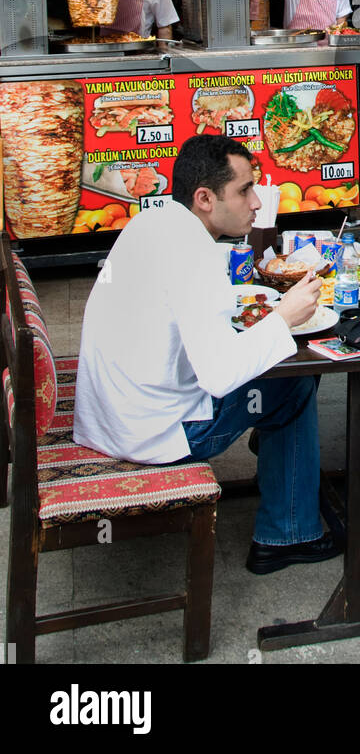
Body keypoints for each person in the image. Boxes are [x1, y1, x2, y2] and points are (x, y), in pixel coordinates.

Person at [74, 135, 341, 576]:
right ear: (203, 198)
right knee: (292, 380)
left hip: (110, 410)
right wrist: (286, 316)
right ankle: (287, 533)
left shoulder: (152, 221)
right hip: (151, 432)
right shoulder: (195, 256)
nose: (256, 202)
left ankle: (279, 458)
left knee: (279, 369)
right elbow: (219, 377)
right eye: (244, 190)